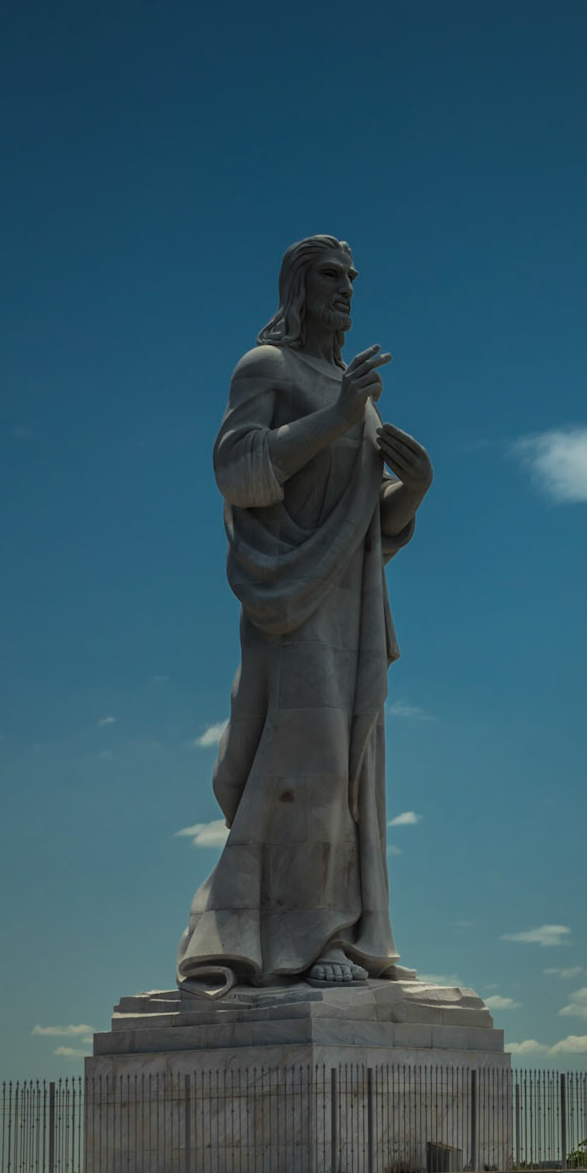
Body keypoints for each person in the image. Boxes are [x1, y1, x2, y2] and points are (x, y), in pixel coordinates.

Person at [178, 236, 433, 991]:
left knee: (350, 777)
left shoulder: (353, 389)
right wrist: (335, 417)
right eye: (330, 274)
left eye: (353, 277)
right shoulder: (268, 368)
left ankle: (350, 933)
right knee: (305, 767)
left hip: (350, 611)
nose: (346, 287)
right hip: (288, 603)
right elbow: (239, 471)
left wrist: (411, 492)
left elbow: (358, 529)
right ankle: (296, 936)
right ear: (297, 284)